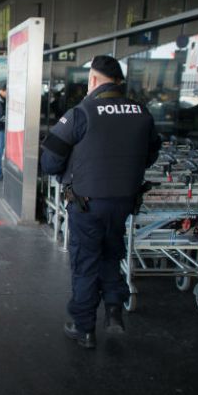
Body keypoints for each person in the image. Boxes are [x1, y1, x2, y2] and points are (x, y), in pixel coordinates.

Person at [39, 55, 161, 349]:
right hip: (123, 203)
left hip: (86, 204)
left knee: (85, 263)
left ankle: (84, 328)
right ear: (118, 82)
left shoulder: (81, 113)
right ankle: (114, 312)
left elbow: (50, 161)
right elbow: (151, 153)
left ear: (93, 80)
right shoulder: (142, 112)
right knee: (111, 253)